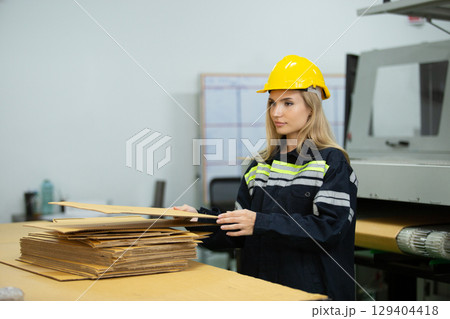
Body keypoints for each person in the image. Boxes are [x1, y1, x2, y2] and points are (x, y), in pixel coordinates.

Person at [175, 55, 358, 301]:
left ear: (311, 109)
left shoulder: (331, 162)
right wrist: (197, 219)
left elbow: (329, 231)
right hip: (261, 293)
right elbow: (239, 230)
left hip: (312, 295)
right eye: (272, 103)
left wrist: (259, 223)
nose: (276, 112)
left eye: (288, 103)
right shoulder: (259, 166)